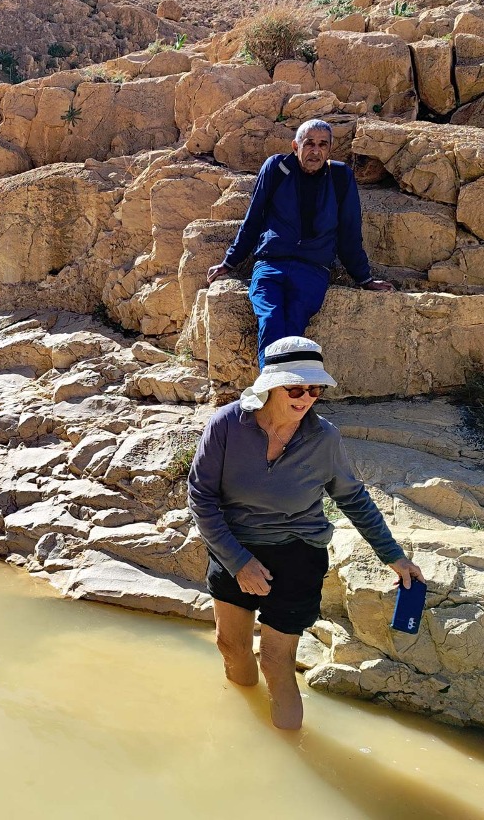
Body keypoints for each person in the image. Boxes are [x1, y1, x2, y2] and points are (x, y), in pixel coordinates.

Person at [187, 336, 424, 730]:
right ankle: (242, 726)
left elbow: (355, 499)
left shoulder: (324, 438)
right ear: (269, 386)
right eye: (295, 388)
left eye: (314, 389)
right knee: (231, 648)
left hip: (298, 553)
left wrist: (393, 556)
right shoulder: (227, 424)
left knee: (276, 662)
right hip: (233, 546)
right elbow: (201, 498)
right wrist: (239, 562)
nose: (306, 397)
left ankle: (288, 753)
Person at [205, 120, 393, 365]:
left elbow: (349, 232)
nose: (315, 151)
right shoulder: (276, 168)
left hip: (312, 268)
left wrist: (365, 279)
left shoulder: (340, 176)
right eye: (309, 143)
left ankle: (284, 396)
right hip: (270, 264)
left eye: (322, 145)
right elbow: (253, 218)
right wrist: (230, 262)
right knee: (270, 319)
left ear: (330, 149)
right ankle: (277, 394)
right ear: (296, 146)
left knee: (294, 326)